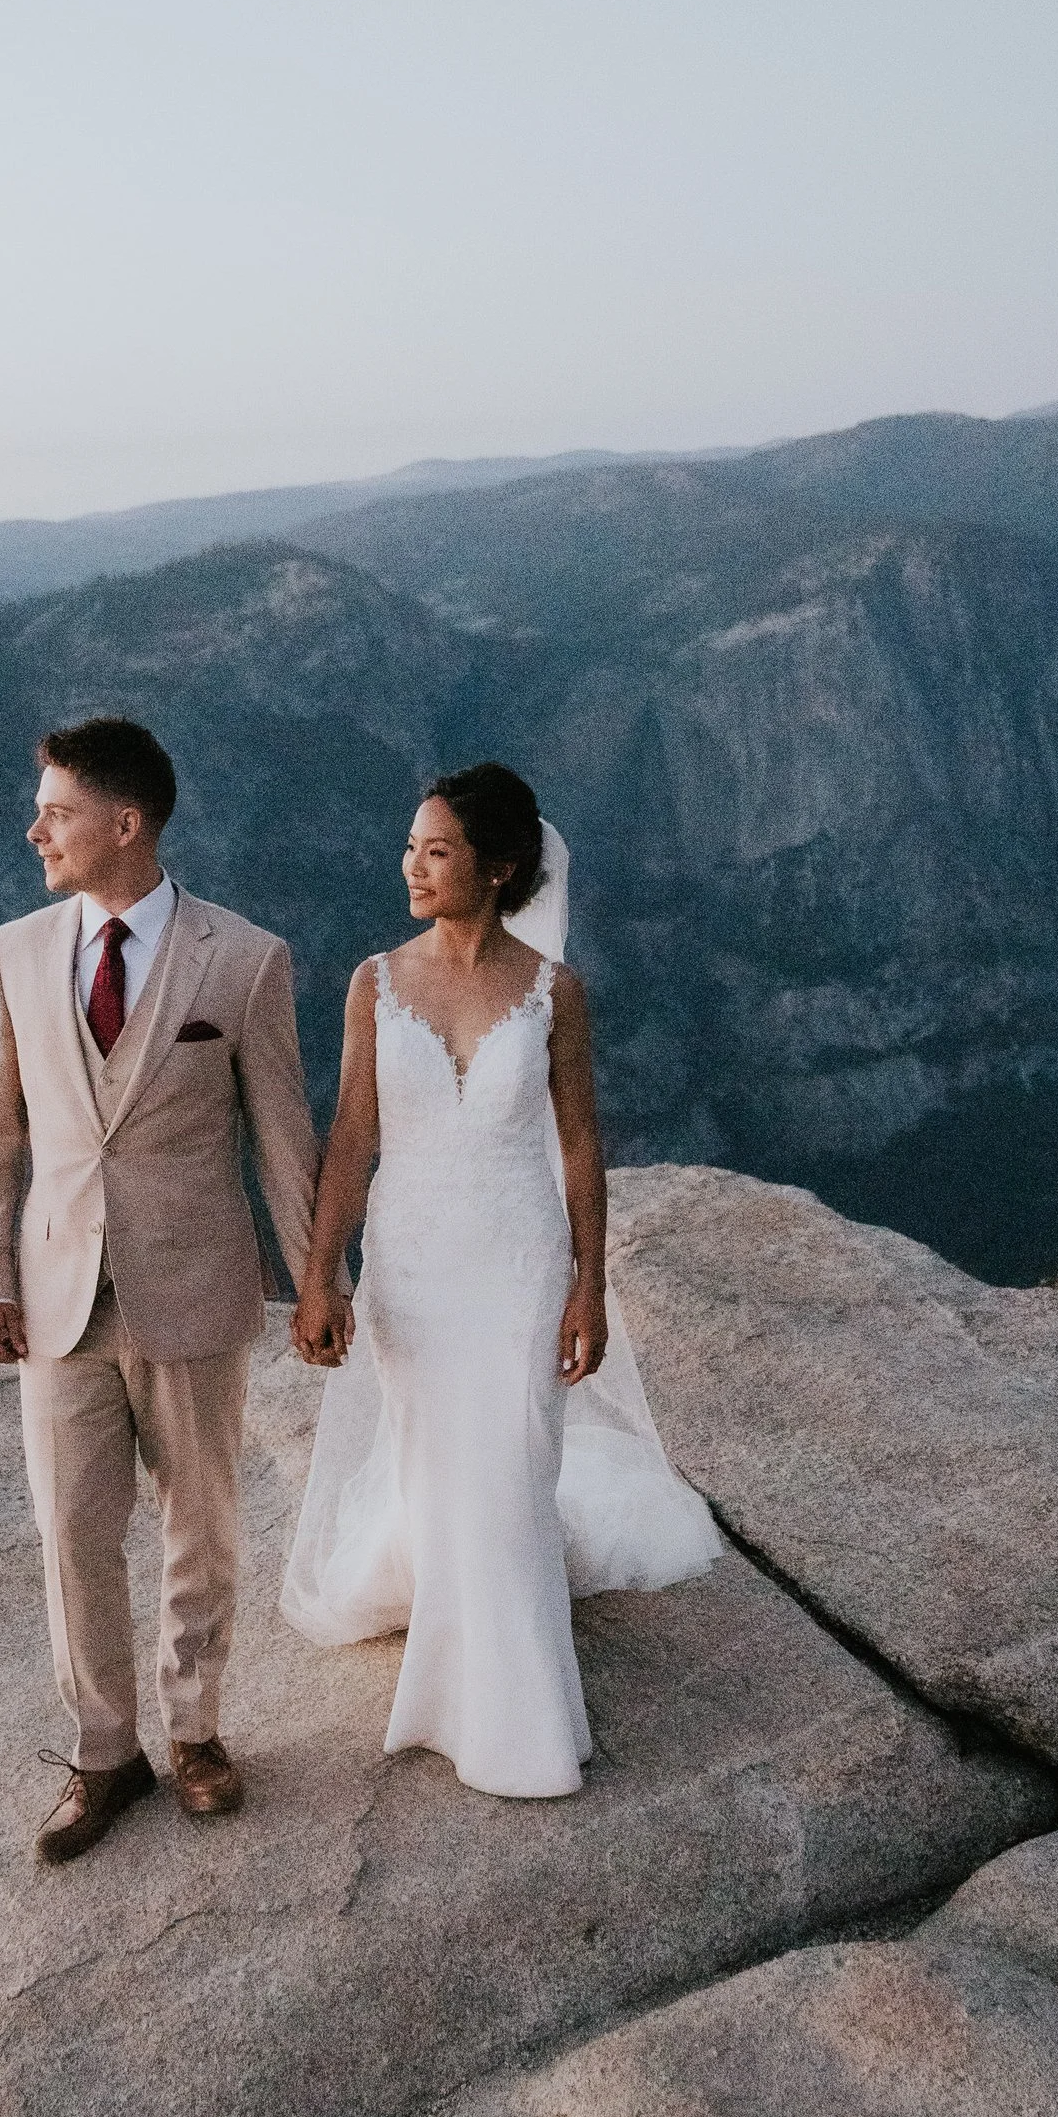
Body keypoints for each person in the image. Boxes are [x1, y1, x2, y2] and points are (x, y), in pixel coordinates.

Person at [282, 762, 717, 1796]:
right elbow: (349, 1136)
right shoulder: (375, 982)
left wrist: (588, 1288)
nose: (413, 868)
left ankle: (511, 1715)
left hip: (520, 1264)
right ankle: (454, 1677)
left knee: (512, 1465)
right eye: (410, 848)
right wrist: (320, 1275)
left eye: (437, 851)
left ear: (499, 868)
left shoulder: (553, 992)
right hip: (413, 1265)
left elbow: (579, 1146)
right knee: (443, 1468)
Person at [0, 716, 322, 1863]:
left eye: (56, 813)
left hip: (196, 1285)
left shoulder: (243, 957)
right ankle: (103, 1754)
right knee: (70, 1531)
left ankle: (198, 1732)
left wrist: (319, 1281)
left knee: (199, 1524)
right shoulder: (13, 953)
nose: (36, 832)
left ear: (126, 825)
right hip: (59, 1293)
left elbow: (282, 1137)